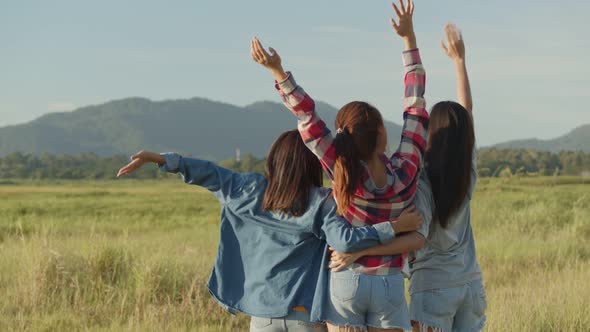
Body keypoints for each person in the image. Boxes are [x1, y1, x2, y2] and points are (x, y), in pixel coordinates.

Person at [117, 129, 423, 332]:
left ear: (275, 160)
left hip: (262, 316)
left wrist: (160, 159)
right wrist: (395, 227)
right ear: (311, 163)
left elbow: (207, 173)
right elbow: (345, 240)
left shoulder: (248, 188)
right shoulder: (320, 201)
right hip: (304, 314)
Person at [252, 1, 427, 331]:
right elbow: (415, 107)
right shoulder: (405, 170)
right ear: (380, 133)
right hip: (389, 283)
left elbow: (306, 115)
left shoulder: (340, 170)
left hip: (345, 279)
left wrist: (278, 71)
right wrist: (409, 40)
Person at [329, 24, 487, 332]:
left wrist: (360, 251)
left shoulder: (421, 183)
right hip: (471, 286)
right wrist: (459, 62)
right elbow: (466, 114)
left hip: (431, 289)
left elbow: (415, 238)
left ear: (431, 137)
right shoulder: (467, 171)